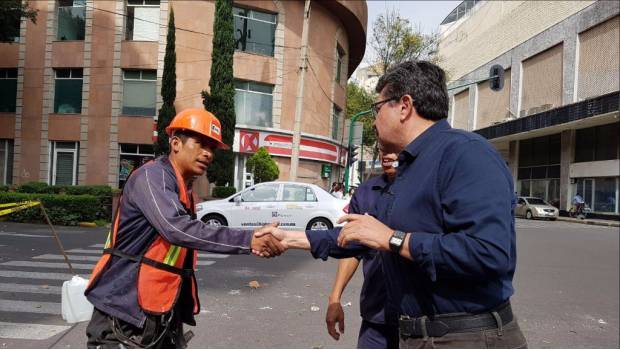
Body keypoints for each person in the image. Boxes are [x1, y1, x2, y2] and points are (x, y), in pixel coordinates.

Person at [260, 61, 527, 348]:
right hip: (417, 336)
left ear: (404, 106)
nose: (374, 121)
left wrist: (393, 239)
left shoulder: (466, 153)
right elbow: (361, 235)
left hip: (468, 337)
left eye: (377, 108)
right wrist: (289, 238)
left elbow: (488, 253)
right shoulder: (410, 167)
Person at [84, 108, 285, 348]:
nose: (207, 153)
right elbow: (176, 228)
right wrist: (248, 240)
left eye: (211, 148)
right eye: (200, 144)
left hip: (159, 311)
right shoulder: (152, 178)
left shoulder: (181, 187)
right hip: (124, 309)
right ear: (176, 143)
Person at [325, 152, 399, 349]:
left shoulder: (425, 189)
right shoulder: (366, 191)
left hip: (420, 319)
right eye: (384, 148)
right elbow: (352, 248)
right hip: (375, 316)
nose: (387, 155)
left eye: (394, 148)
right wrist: (335, 298)